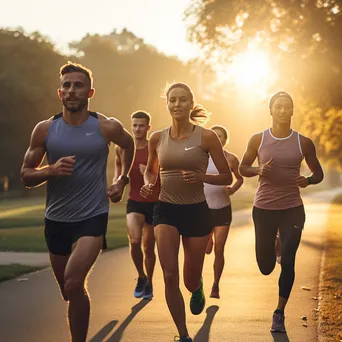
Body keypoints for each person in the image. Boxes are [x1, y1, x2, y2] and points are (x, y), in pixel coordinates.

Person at [20, 62, 135, 342]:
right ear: (60, 93)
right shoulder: (45, 131)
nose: (72, 91)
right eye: (67, 86)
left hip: (92, 216)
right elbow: (26, 175)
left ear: (90, 92)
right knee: (69, 290)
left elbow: (128, 144)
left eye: (78, 85)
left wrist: (121, 179)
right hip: (56, 219)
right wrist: (50, 170)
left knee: (73, 281)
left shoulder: (106, 126)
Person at [140, 82, 232, 342]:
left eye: (182, 100)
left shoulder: (206, 137)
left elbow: (225, 175)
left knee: (189, 280)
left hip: (197, 212)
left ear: (191, 104)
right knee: (169, 275)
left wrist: (200, 176)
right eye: (172, 100)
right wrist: (149, 184)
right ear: (167, 104)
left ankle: (198, 286)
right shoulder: (157, 138)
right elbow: (150, 170)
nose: (177, 104)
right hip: (166, 210)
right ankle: (183, 335)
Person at [239, 91, 324, 333]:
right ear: (271, 110)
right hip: (264, 208)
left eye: (287, 106)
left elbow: (319, 174)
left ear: (293, 110)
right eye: (279, 106)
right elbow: (242, 167)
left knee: (288, 260)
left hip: (292, 209)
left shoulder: (303, 142)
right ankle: (275, 245)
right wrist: (257, 170)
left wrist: (308, 180)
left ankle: (279, 312)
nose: (283, 110)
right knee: (265, 266)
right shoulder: (258, 139)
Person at [114, 110, 160, 300]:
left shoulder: (153, 148)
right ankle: (140, 276)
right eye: (134, 125)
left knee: (149, 247)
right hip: (134, 201)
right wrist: (115, 183)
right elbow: (118, 168)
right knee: (134, 241)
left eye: (141, 125)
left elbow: (162, 173)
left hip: (154, 203)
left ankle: (149, 281)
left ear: (148, 127)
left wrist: (148, 174)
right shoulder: (122, 148)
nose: (137, 129)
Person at [204, 125, 244, 299]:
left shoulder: (231, 159)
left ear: (225, 140)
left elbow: (240, 178)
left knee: (219, 249)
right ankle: (207, 241)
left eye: (220, 136)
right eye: (214, 136)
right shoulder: (201, 157)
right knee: (205, 250)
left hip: (222, 209)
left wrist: (233, 189)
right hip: (202, 210)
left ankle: (215, 285)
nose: (217, 139)